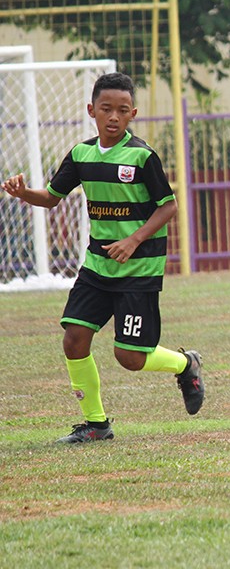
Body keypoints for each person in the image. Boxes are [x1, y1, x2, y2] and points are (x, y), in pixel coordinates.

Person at [2, 72, 204, 443]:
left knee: (130, 358)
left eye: (122, 110)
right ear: (91, 110)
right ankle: (96, 425)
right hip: (98, 264)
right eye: (106, 109)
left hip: (139, 266)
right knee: (74, 339)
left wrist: (133, 240)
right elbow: (51, 198)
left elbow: (168, 206)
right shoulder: (82, 154)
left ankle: (185, 363)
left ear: (133, 114)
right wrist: (22, 193)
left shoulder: (142, 157)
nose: (113, 116)